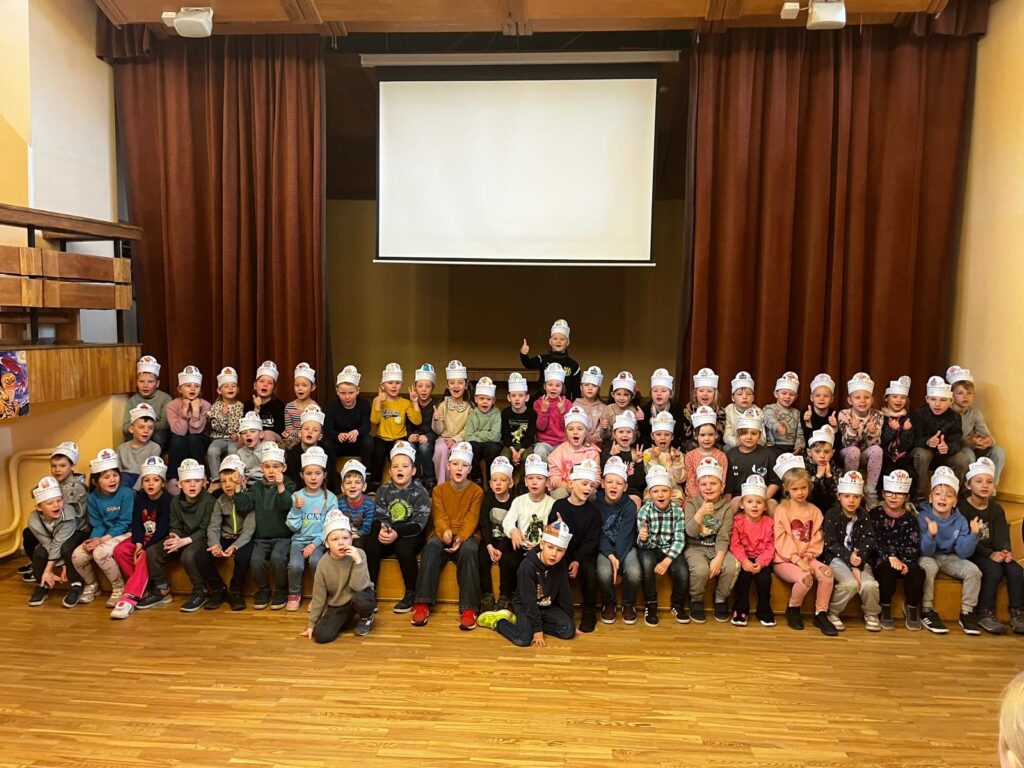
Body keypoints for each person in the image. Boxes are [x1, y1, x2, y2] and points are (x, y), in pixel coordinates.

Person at [410, 441, 483, 630]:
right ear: (448, 466)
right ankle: (422, 602)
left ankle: (469, 608)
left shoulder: (477, 491)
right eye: (455, 464)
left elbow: (472, 519)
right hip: (443, 534)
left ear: (470, 469)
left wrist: (460, 537)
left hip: (466, 536)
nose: (459, 468)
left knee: (470, 550)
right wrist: (445, 533)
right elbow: (439, 516)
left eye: (464, 465)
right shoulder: (439, 490)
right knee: (431, 547)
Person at [477, 521, 579, 647]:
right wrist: (537, 630)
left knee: (568, 631)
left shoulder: (559, 565)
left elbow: (565, 594)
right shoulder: (527, 566)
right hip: (525, 606)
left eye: (560, 550)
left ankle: (527, 625)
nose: (554, 554)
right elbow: (528, 600)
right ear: (542, 544)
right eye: (550, 547)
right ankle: (499, 621)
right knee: (523, 639)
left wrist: (570, 621)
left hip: (546, 606)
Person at [139, 459, 217, 612]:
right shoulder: (175, 501)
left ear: (204, 483)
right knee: (153, 551)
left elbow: (205, 529)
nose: (192, 485)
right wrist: (174, 538)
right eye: (187, 481)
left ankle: (200, 590)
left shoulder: (210, 501)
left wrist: (184, 541)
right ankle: (162, 589)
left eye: (197, 481)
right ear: (180, 484)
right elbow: (175, 524)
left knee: (189, 555)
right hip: (181, 537)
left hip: (200, 539)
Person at [363, 441, 431, 614]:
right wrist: (385, 530)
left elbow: (418, 524)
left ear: (413, 471)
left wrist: (397, 533)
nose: (400, 469)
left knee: (403, 549)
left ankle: (411, 592)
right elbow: (379, 516)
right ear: (390, 471)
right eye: (395, 466)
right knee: (371, 544)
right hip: (389, 530)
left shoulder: (420, 492)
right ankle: (369, 590)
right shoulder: (383, 490)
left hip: (411, 533)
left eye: (405, 466)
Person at [772, 464, 838, 636]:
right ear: (787, 489)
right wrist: (798, 560)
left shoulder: (815, 511)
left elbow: (817, 536)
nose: (800, 492)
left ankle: (821, 613)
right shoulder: (782, 510)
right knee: (805, 578)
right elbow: (781, 539)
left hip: (808, 558)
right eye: (795, 489)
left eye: (803, 488)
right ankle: (793, 609)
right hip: (785, 560)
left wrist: (808, 556)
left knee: (827, 574)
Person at [918, 465, 981, 635]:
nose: (943, 498)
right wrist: (930, 535)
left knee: (974, 571)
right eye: (938, 494)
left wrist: (973, 535)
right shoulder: (923, 517)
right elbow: (925, 551)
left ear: (955, 501)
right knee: (929, 567)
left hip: (950, 558)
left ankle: (967, 612)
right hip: (928, 555)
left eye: (949, 495)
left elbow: (963, 552)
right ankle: (927, 609)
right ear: (930, 498)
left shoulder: (960, 520)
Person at [963, 457, 1023, 634]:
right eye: (979, 481)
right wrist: (989, 554)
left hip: (994, 552)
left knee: (1016, 570)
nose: (984, 485)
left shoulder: (996, 509)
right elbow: (964, 538)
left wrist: (1005, 551)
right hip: (973, 552)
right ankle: (985, 612)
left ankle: (1018, 612)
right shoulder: (962, 508)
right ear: (968, 485)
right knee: (993, 569)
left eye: (989, 482)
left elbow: (1002, 536)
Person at [233, 443, 296, 611]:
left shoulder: (289, 485)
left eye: (276, 467)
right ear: (261, 468)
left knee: (278, 558)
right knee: (256, 560)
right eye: (267, 467)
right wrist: (238, 487)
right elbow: (243, 505)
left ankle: (281, 590)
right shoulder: (257, 487)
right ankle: (263, 589)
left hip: (283, 536)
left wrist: (281, 487)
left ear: (283, 468)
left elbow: (286, 505)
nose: (271, 471)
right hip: (262, 537)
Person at [70, 449, 134, 607]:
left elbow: (124, 523)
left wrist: (102, 540)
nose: (112, 480)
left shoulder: (126, 493)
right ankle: (92, 585)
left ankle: (119, 588)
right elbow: (98, 524)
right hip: (104, 535)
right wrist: (93, 540)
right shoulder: (93, 498)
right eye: (106, 477)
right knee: (78, 555)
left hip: (126, 533)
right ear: (95, 481)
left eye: (115, 475)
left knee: (100, 553)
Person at [109, 457, 172, 619]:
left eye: (156, 480)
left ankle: (130, 596)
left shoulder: (167, 500)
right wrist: (138, 543)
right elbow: (137, 523)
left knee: (145, 555)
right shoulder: (139, 499)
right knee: (120, 550)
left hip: (159, 539)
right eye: (146, 480)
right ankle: (142, 587)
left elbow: (163, 528)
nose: (151, 484)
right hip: (143, 538)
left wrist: (144, 547)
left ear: (163, 483)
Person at [821, 470, 882, 632]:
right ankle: (833, 612)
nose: (851, 501)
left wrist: (858, 561)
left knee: (869, 585)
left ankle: (871, 613)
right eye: (847, 496)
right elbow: (830, 543)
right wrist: (849, 558)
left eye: (856, 497)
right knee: (850, 584)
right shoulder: (832, 515)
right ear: (839, 497)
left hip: (859, 559)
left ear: (861, 498)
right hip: (836, 558)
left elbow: (868, 539)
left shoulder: (864, 516)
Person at [300, 513, 376, 643]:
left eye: (345, 538)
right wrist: (312, 624)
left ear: (351, 540)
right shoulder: (323, 564)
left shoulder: (359, 554)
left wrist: (358, 562)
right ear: (327, 543)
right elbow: (319, 597)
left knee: (362, 598)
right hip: (339, 604)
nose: (341, 542)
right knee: (321, 636)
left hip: (359, 594)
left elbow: (358, 586)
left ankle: (366, 617)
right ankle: (346, 618)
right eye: (335, 539)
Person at [547, 458, 603, 633]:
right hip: (563, 551)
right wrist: (558, 528)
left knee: (589, 571)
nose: (588, 488)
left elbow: (591, 541)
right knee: (558, 566)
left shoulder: (593, 513)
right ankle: (562, 609)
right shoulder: (559, 506)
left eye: (591, 485)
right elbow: (551, 534)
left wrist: (577, 560)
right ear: (571, 484)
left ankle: (589, 611)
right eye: (584, 484)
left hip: (584, 555)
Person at [682, 456, 738, 623]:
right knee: (700, 569)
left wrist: (719, 558)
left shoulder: (726, 508)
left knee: (732, 566)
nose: (708, 487)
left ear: (722, 486)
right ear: (698, 486)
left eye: (713, 483)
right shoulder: (691, 504)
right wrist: (700, 513)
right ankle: (696, 599)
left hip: (717, 548)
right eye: (704, 484)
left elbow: (723, 536)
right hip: (695, 547)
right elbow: (690, 532)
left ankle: (720, 598)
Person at [869, 469, 925, 631]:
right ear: (883, 494)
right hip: (882, 558)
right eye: (889, 492)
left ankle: (911, 606)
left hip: (904, 560)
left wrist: (905, 562)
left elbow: (913, 543)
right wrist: (890, 556)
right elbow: (873, 539)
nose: (893, 497)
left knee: (918, 572)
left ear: (906, 497)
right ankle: (885, 605)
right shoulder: (875, 514)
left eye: (899, 493)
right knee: (887, 569)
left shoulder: (910, 519)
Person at [285, 446, 338, 611]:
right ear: (302, 475)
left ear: (324, 475)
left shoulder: (330, 498)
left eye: (317, 473)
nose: (313, 478)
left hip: (320, 541)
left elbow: (331, 527)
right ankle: (294, 594)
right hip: (299, 540)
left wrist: (314, 544)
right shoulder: (296, 496)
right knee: (295, 565)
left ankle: (319, 596)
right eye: (308, 473)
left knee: (316, 561)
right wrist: (295, 509)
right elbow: (293, 527)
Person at [25, 476, 91, 607]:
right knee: (39, 553)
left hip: (78, 532)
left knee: (67, 548)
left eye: (59, 501)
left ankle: (76, 584)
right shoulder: (33, 520)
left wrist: (61, 565)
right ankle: (42, 584)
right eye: (50, 503)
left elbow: (58, 544)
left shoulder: (68, 516)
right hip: (53, 538)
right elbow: (47, 543)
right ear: (39, 507)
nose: (56, 505)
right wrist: (57, 566)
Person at [200, 455, 254, 612]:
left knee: (243, 557)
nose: (228, 485)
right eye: (224, 481)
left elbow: (249, 530)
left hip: (243, 539)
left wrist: (235, 547)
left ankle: (236, 591)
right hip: (226, 536)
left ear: (242, 480)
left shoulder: (250, 498)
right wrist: (215, 544)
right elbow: (214, 526)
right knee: (201, 556)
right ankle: (218, 589)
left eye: (232, 480)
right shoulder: (220, 501)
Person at [636, 465, 689, 626]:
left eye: (664, 491)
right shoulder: (644, 511)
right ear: (649, 494)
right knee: (646, 564)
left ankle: (677, 604)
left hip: (670, 549)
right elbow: (642, 544)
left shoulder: (678, 512)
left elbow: (679, 540)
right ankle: (651, 604)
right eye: (656, 491)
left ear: (671, 492)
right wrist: (643, 538)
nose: (660, 495)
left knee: (683, 572)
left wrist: (667, 561)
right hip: (650, 548)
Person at [595, 456, 641, 625]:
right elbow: (599, 534)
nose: (614, 486)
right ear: (602, 483)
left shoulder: (629, 506)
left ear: (625, 487)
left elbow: (625, 537)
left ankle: (629, 603)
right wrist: (610, 555)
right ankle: (609, 602)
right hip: (604, 547)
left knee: (634, 572)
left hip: (626, 546)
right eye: (609, 482)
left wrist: (619, 567)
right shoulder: (595, 504)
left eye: (619, 483)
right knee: (603, 572)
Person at [911, 376, 970, 499]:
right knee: (923, 455)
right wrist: (927, 441)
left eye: (943, 400)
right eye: (933, 399)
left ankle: (954, 493)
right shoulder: (919, 414)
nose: (937, 404)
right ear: (927, 399)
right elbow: (912, 438)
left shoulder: (955, 417)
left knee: (961, 459)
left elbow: (957, 441)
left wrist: (947, 447)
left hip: (945, 455)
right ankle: (919, 492)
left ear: (951, 401)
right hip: (924, 451)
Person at [948, 365, 1007, 488]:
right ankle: (969, 488)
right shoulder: (948, 412)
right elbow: (951, 440)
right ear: (952, 395)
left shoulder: (974, 412)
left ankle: (991, 488)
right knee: (968, 454)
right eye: (960, 393)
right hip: (958, 448)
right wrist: (967, 442)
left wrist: (988, 441)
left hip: (973, 446)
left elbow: (985, 433)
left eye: (969, 393)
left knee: (998, 452)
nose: (965, 396)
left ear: (973, 396)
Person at [729, 475, 775, 627]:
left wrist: (761, 563)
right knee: (742, 578)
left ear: (765, 506)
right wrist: (744, 561)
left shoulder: (769, 523)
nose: (754, 506)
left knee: (765, 579)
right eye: (749, 502)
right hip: (743, 558)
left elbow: (770, 547)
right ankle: (740, 609)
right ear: (742, 504)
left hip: (762, 559)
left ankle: (764, 609)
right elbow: (735, 545)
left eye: (759, 502)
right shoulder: (737, 522)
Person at [369, 363, 422, 490]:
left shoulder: (405, 403)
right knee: (377, 454)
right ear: (383, 385)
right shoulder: (378, 400)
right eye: (390, 383)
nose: (394, 386)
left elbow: (417, 421)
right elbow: (374, 420)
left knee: (404, 455)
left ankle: (413, 481)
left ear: (401, 384)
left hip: (399, 439)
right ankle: (375, 482)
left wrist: (415, 403)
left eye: (397, 383)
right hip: (381, 438)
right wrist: (378, 403)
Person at [836, 372, 884, 508]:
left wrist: (873, 432)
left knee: (877, 450)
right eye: (857, 397)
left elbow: (875, 444)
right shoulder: (844, 414)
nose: (862, 401)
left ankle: (870, 491)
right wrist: (852, 430)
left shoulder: (878, 415)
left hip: (866, 453)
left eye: (866, 397)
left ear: (872, 400)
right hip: (848, 452)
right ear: (850, 400)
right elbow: (846, 443)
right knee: (853, 451)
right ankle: (851, 486)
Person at [478, 456, 517, 612]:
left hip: (506, 541)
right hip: (490, 540)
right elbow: (484, 524)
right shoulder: (487, 500)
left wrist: (500, 549)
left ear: (511, 483)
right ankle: (487, 594)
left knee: (508, 560)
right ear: (490, 483)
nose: (498, 483)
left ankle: (504, 596)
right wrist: (489, 545)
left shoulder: (514, 502)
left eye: (503, 480)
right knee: (481, 556)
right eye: (494, 480)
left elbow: (513, 527)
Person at [165, 365, 212, 481]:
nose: (193, 389)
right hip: (179, 436)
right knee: (177, 439)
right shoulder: (171, 405)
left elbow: (197, 430)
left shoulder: (206, 405)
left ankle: (200, 476)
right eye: (188, 386)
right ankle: (173, 478)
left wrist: (196, 411)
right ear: (180, 389)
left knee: (193, 438)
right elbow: (179, 431)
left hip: (199, 437)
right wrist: (184, 411)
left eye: (197, 386)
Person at [431, 360, 473, 484]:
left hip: (460, 440)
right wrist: (437, 419)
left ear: (466, 385)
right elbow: (438, 430)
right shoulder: (443, 405)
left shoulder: (469, 408)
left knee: (457, 453)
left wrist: (455, 439)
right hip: (443, 439)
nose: (456, 386)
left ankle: (454, 484)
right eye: (452, 382)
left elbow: (468, 428)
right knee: (441, 449)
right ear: (447, 385)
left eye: (460, 382)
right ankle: (442, 484)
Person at [547, 405, 601, 501]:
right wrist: (566, 486)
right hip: (565, 487)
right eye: (571, 429)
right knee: (559, 493)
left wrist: (585, 486)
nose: (575, 432)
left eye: (580, 429)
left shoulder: (593, 453)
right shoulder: (558, 452)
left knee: (592, 493)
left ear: (586, 432)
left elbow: (596, 479)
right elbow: (554, 478)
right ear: (566, 432)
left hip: (586, 488)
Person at [519, 318, 581, 401]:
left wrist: (574, 406)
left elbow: (576, 391)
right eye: (555, 339)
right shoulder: (542, 359)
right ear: (550, 341)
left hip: (563, 404)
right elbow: (528, 364)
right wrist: (523, 354)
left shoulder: (574, 365)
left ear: (568, 342)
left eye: (562, 339)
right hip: (542, 401)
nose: (558, 341)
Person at [325, 365, 372, 469]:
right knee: (327, 443)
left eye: (351, 393)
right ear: (337, 391)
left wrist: (356, 432)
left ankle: (367, 473)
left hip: (357, 443)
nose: (347, 397)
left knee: (368, 441)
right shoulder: (332, 406)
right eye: (343, 393)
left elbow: (367, 426)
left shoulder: (364, 404)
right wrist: (338, 435)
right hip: (339, 444)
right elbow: (328, 429)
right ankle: (332, 475)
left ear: (357, 390)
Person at [122, 355, 172, 447]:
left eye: (150, 382)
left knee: (157, 437)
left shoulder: (165, 398)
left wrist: (147, 426)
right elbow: (125, 427)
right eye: (141, 382)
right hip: (137, 433)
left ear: (157, 383)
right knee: (129, 437)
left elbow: (166, 423)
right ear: (137, 383)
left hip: (157, 433)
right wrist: (138, 428)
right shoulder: (132, 401)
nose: (145, 385)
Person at [683, 406, 729, 503]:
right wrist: (701, 501)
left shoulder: (721, 456)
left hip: (715, 498)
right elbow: (690, 483)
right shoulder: (690, 456)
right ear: (695, 435)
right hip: (694, 499)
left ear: (716, 435)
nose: (707, 439)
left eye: (710, 435)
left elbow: (722, 482)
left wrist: (712, 497)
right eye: (702, 435)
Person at [205, 366, 244, 481]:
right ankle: (216, 479)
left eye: (233, 386)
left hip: (234, 439)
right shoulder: (216, 406)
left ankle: (233, 479)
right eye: (226, 386)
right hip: (219, 438)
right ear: (219, 390)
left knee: (233, 451)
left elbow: (243, 424)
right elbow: (215, 427)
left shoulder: (240, 406)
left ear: (238, 389)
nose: (230, 388)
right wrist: (222, 415)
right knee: (212, 451)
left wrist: (239, 434)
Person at [465, 377, 503, 484]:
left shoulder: (497, 414)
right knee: (472, 448)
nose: (485, 402)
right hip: (477, 444)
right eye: (481, 399)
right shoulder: (472, 415)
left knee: (492, 450)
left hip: (492, 444)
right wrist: (484, 436)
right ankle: (477, 479)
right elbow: (468, 436)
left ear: (493, 401)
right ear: (476, 399)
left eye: (488, 399)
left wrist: (477, 434)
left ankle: (492, 480)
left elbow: (495, 436)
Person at [407, 363, 439, 489]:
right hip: (415, 437)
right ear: (415, 387)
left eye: (428, 386)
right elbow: (407, 426)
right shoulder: (410, 405)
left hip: (429, 438)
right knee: (409, 447)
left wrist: (428, 436)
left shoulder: (437, 405)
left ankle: (430, 479)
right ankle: (416, 478)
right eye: (420, 386)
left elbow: (438, 428)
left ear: (433, 388)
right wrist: (410, 435)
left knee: (424, 448)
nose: (424, 389)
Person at [531, 363, 571, 462]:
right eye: (550, 385)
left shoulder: (567, 403)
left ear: (562, 387)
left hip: (562, 443)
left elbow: (567, 428)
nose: (553, 388)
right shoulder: (538, 403)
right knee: (539, 450)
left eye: (558, 385)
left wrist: (562, 412)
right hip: (544, 443)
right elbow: (540, 427)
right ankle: (546, 470)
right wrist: (544, 410)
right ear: (545, 386)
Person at [117, 403, 161, 489]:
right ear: (131, 429)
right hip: (124, 482)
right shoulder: (121, 448)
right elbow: (118, 473)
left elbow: (148, 471)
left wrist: (135, 490)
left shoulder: (154, 448)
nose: (146, 431)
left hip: (143, 481)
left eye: (150, 428)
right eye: (141, 427)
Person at [500, 372, 536, 472]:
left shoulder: (531, 413)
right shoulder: (505, 413)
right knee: (503, 459)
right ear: (508, 398)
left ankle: (523, 481)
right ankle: (506, 480)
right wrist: (512, 450)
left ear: (527, 397)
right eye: (513, 395)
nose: (517, 399)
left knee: (528, 459)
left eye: (521, 395)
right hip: (509, 445)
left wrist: (520, 452)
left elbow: (530, 435)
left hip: (526, 445)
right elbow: (505, 434)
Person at [763, 371, 805, 455]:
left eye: (791, 394)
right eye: (784, 393)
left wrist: (799, 446)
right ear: (776, 394)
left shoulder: (797, 413)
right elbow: (769, 419)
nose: (787, 397)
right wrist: (778, 426)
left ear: (796, 397)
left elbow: (800, 432)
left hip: (791, 448)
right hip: (773, 447)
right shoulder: (769, 408)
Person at [243, 360, 285, 441]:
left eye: (270, 383)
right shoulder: (248, 404)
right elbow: (246, 428)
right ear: (255, 385)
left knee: (267, 434)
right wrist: (256, 410)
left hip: (272, 437)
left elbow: (280, 430)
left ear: (274, 388)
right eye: (261, 381)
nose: (265, 385)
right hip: (253, 437)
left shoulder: (279, 405)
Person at [723, 371, 762, 448]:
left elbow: (762, 437)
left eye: (749, 394)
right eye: (739, 394)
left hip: (754, 445)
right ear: (733, 398)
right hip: (735, 444)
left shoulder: (758, 412)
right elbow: (727, 435)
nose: (744, 397)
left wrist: (750, 443)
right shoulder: (728, 410)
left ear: (753, 398)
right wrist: (741, 443)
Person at [282, 362, 318, 447]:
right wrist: (297, 434)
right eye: (297, 385)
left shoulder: (315, 408)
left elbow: (316, 429)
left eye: (304, 385)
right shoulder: (289, 407)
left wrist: (303, 435)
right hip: (293, 441)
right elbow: (288, 430)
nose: (300, 388)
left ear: (312, 387)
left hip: (310, 439)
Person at [574, 365, 606, 448]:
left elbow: (602, 425)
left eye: (594, 386)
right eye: (586, 385)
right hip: (578, 440)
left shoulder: (603, 407)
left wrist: (596, 436)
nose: (590, 388)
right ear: (581, 387)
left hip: (596, 442)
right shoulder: (575, 405)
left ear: (598, 390)